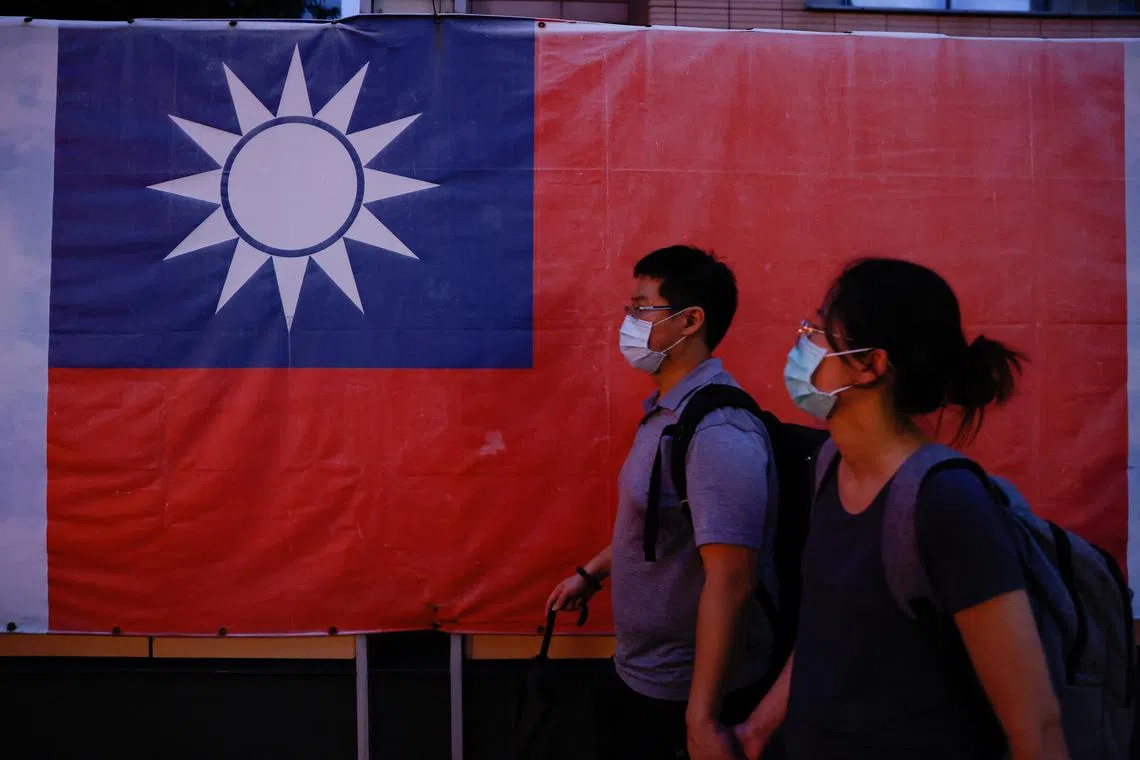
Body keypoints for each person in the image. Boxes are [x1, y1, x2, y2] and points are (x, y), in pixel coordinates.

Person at [734, 257, 1067, 760]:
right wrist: (756, 732)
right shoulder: (830, 464)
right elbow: (831, 631)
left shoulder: (946, 502)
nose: (804, 344)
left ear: (871, 365)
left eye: (819, 331)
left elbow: (1036, 724)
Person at [546, 245, 777, 760]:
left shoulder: (717, 432)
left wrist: (702, 718)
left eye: (641, 308)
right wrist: (593, 573)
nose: (628, 323)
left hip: (685, 695)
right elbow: (661, 522)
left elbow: (733, 580)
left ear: (690, 321)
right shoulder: (667, 413)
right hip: (644, 675)